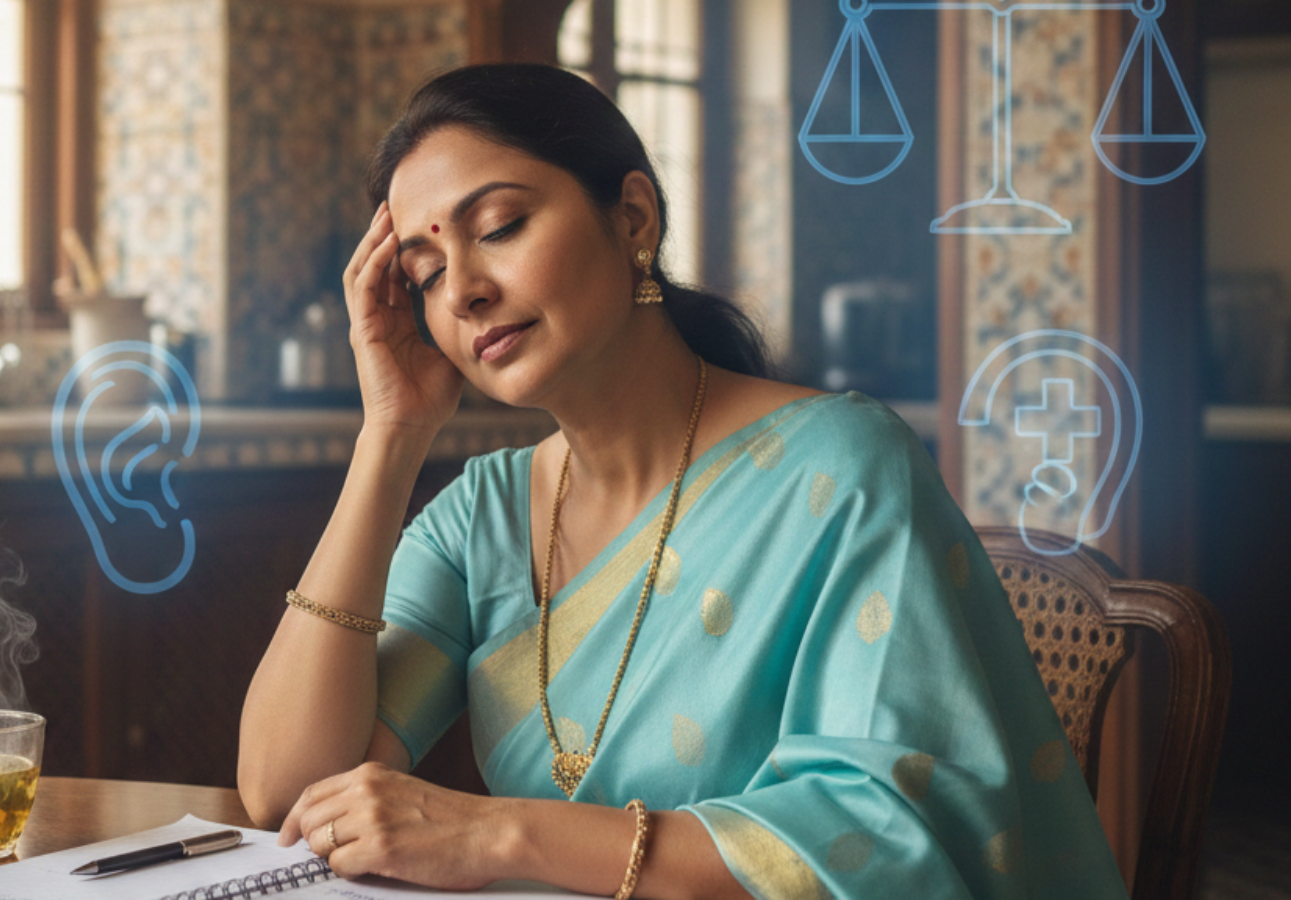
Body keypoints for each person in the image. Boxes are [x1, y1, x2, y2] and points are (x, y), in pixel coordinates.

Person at [238, 63, 1127, 900]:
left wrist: (506, 834)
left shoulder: (843, 467)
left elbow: (883, 838)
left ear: (633, 219)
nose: (463, 290)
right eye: (427, 276)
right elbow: (288, 796)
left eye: (500, 227)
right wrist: (390, 437)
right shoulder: (484, 519)